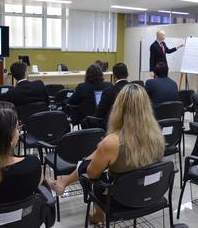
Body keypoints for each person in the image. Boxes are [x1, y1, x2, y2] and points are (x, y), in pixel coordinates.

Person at [50, 84, 165, 223]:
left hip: (122, 199)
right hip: (152, 193)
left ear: (119, 107)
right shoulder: (158, 135)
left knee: (94, 173)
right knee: (98, 157)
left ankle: (94, 210)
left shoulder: (112, 142)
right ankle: (64, 182)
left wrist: (98, 157)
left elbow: (92, 174)